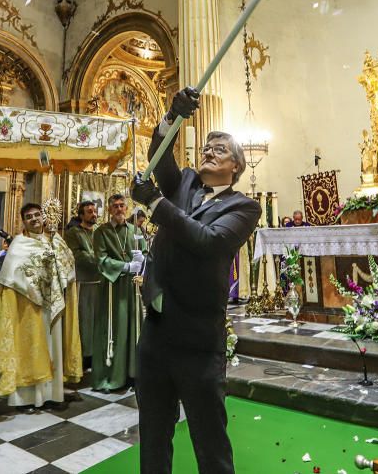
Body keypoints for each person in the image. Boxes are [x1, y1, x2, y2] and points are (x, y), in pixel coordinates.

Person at [131, 86, 262, 474]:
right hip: (156, 333)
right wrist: (173, 116)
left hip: (199, 340)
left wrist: (155, 203)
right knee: (153, 435)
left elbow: (208, 242)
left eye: (220, 149)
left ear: (235, 167)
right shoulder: (184, 183)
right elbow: (161, 158)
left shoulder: (244, 207)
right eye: (206, 147)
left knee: (209, 442)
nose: (208, 151)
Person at [0, 203, 82, 407]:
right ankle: (27, 398)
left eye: (38, 215)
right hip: (29, 306)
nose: (35, 219)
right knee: (31, 349)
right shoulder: (19, 244)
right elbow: (13, 276)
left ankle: (52, 394)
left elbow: (69, 265)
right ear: (24, 221)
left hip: (53, 305)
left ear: (44, 217)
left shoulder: (55, 240)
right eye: (29, 216)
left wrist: (58, 258)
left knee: (52, 348)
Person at [91, 194, 147, 391]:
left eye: (122, 205)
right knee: (115, 330)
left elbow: (146, 254)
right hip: (112, 290)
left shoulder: (135, 230)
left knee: (134, 330)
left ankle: (133, 374)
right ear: (109, 209)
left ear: (127, 207)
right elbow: (101, 260)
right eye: (114, 206)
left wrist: (142, 260)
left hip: (133, 289)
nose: (119, 209)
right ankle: (112, 376)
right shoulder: (101, 232)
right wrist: (126, 267)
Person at [63, 200, 100, 366]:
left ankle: (95, 355)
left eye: (94, 211)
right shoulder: (73, 233)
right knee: (83, 322)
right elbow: (77, 255)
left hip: (99, 283)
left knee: (96, 322)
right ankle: (83, 357)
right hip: (82, 283)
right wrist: (102, 260)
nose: (93, 214)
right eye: (89, 211)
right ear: (81, 215)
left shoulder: (99, 232)